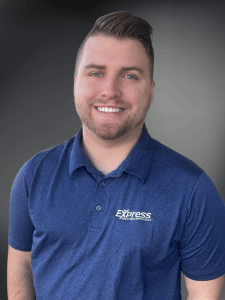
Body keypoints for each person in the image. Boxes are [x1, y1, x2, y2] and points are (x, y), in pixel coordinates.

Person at [7, 11, 225, 300]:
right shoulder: (34, 175)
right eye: (96, 73)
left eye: (130, 75)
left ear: (151, 91)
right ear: (75, 82)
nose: (110, 91)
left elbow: (204, 293)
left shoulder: (193, 189)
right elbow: (21, 263)